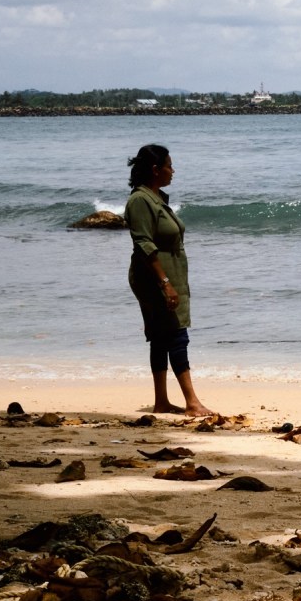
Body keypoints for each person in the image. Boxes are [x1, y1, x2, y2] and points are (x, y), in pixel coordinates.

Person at [125, 144, 211, 416]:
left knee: (162, 337)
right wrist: (165, 283)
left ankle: (161, 402)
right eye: (169, 165)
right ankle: (192, 402)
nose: (173, 171)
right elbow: (143, 244)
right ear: (155, 170)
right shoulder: (140, 201)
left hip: (167, 274)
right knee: (175, 335)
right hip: (154, 278)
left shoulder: (156, 198)